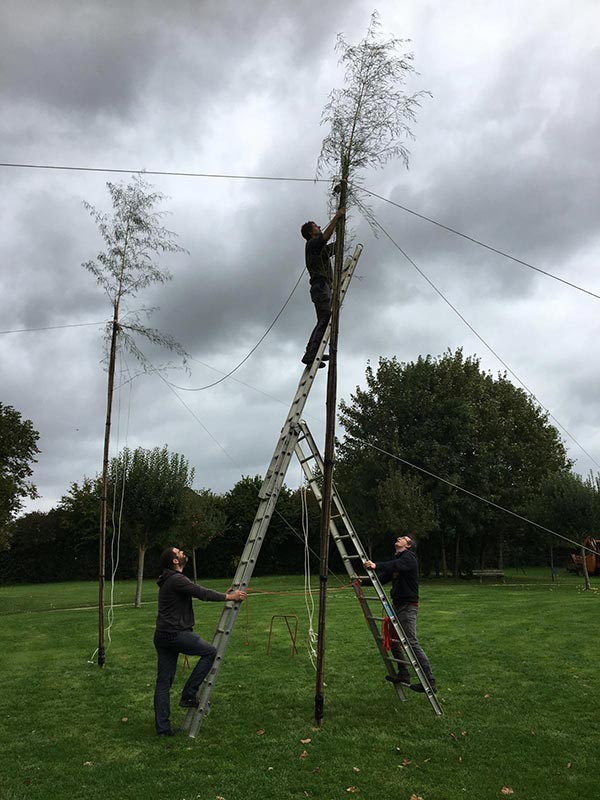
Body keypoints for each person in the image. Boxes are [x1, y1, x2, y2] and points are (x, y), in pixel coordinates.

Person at [153, 546, 247, 736]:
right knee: (210, 652)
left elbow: (196, 591)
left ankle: (163, 730)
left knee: (163, 682)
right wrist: (230, 597)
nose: (182, 553)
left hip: (162, 635)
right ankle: (189, 694)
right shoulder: (176, 579)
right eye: (179, 552)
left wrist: (224, 594)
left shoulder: (169, 579)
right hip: (175, 633)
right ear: (175, 561)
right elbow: (201, 593)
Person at [363, 535, 436, 693]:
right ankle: (403, 674)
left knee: (411, 642)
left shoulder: (409, 557)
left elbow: (394, 565)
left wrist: (376, 565)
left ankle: (430, 680)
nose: (398, 538)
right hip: (397, 605)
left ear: (408, 545)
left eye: (403, 538)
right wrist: (361, 582)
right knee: (394, 640)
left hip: (408, 607)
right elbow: (382, 578)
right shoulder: (399, 561)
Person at [300, 206, 346, 367]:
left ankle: (312, 351)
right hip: (320, 285)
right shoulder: (312, 244)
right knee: (325, 317)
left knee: (323, 319)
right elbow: (325, 237)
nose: (319, 227)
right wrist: (337, 217)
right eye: (316, 226)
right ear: (311, 233)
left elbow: (335, 246)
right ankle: (311, 353)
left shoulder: (319, 249)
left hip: (322, 286)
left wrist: (341, 229)